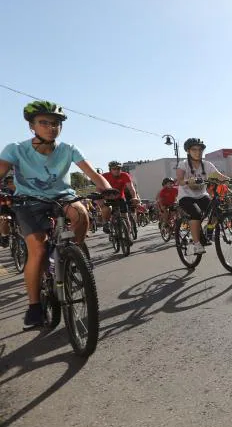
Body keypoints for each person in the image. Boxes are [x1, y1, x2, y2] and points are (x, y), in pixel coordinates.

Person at [0, 101, 112, 329]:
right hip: (28, 201)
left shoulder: (68, 149)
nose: (51, 127)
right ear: (32, 126)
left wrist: (106, 188)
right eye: (44, 123)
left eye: (56, 123)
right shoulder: (15, 149)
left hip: (62, 197)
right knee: (38, 249)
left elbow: (91, 173)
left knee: (80, 213)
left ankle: (74, 254)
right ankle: (34, 307)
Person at [175, 138, 232, 255]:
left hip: (201, 195)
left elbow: (218, 175)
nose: (198, 152)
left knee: (217, 210)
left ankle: (208, 229)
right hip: (186, 196)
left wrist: (229, 180)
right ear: (188, 151)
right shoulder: (183, 164)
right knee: (196, 214)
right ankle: (197, 244)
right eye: (194, 150)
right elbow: (180, 180)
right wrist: (188, 181)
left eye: (200, 149)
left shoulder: (207, 164)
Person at [99, 161, 140, 234]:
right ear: (110, 170)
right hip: (108, 198)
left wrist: (134, 197)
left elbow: (131, 188)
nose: (117, 170)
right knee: (106, 209)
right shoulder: (104, 176)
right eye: (114, 169)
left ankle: (128, 234)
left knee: (125, 216)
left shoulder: (125, 175)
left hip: (120, 197)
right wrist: (99, 197)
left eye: (119, 168)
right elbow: (98, 188)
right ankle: (106, 223)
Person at [0, 175, 16, 247]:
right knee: (4, 218)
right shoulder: (5, 191)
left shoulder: (20, 189)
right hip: (6, 209)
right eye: (8, 182)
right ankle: (4, 237)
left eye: (12, 182)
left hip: (18, 208)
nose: (10, 184)